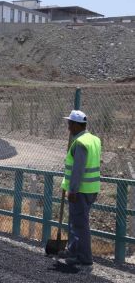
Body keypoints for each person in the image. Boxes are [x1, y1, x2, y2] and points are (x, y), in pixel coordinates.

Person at [60, 110, 101, 266]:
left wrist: (73, 190)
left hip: (81, 190)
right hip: (91, 189)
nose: (68, 127)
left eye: (70, 123)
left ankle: (84, 258)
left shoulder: (80, 142)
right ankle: (73, 251)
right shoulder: (94, 139)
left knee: (80, 224)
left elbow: (78, 168)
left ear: (77, 125)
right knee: (76, 221)